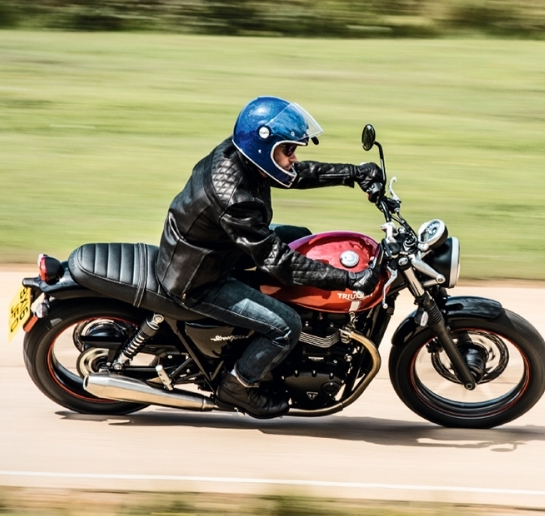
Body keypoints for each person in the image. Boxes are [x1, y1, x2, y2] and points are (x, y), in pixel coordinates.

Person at [155, 96, 383, 419]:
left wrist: (353, 173)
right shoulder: (235, 198)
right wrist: (348, 280)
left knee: (302, 235)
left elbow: (294, 174)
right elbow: (280, 262)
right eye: (288, 150)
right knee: (286, 326)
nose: (293, 158)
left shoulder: (244, 156)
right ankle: (238, 386)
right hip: (198, 279)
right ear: (264, 149)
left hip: (216, 248)